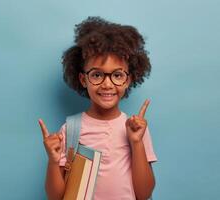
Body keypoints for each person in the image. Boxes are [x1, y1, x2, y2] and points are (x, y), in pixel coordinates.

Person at [39, 16, 157, 200]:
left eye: (117, 75)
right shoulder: (71, 129)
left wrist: (136, 142)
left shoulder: (137, 129)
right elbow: (56, 197)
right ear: (83, 79)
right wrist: (54, 162)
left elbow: (144, 194)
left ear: (128, 80)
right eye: (97, 75)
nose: (107, 84)